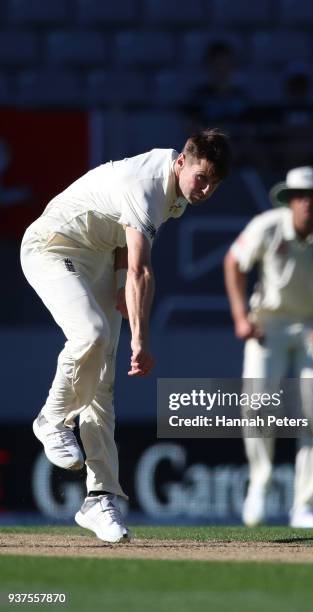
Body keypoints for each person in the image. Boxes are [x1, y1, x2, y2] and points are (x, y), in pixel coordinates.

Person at [21, 128, 231, 543]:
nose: (205, 190)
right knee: (92, 333)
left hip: (98, 258)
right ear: (181, 162)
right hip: (52, 247)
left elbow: (124, 243)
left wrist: (118, 284)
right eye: (201, 178)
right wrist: (140, 340)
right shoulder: (147, 183)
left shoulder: (176, 196)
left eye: (214, 184)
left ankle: (100, 498)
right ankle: (52, 418)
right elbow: (142, 270)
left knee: (102, 385)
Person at [224, 166, 313, 528]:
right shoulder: (267, 226)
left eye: (312, 196)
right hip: (268, 326)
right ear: (289, 199)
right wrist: (241, 317)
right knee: (256, 406)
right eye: (299, 195)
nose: (306, 202)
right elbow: (233, 263)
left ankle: (306, 505)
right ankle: (260, 482)